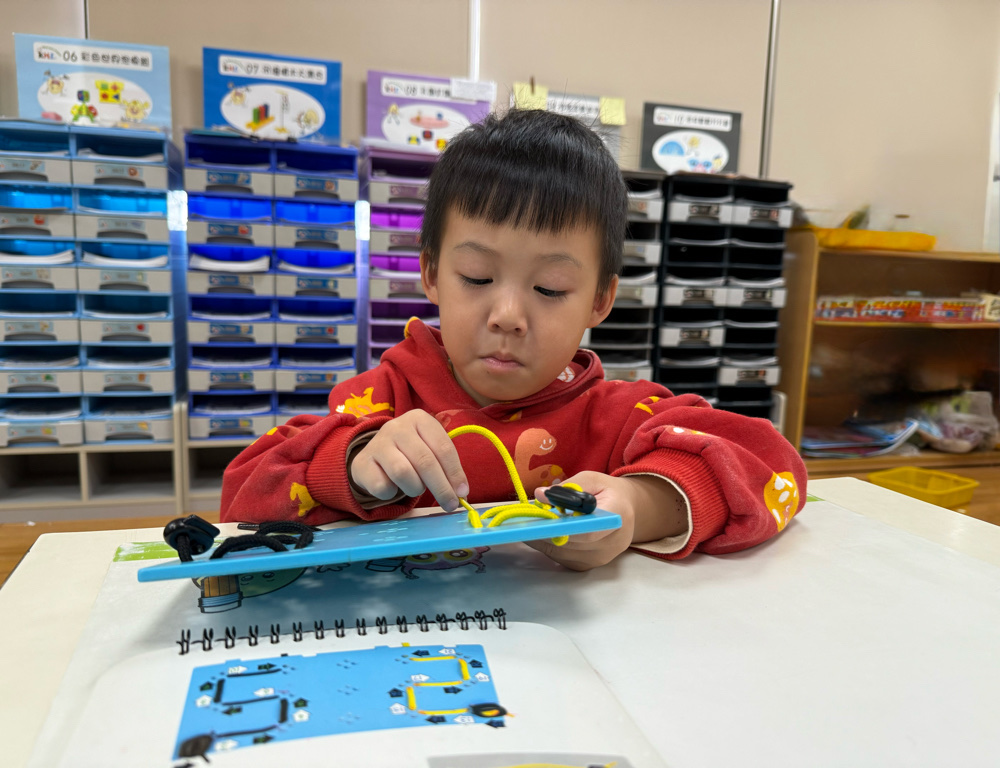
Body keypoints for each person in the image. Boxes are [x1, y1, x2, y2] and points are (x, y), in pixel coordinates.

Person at [220, 109, 807, 570]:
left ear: (600, 300)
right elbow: (241, 497)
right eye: (477, 278)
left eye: (550, 288)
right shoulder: (380, 403)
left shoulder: (618, 417)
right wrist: (350, 467)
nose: (507, 316)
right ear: (431, 273)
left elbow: (774, 467)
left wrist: (639, 506)